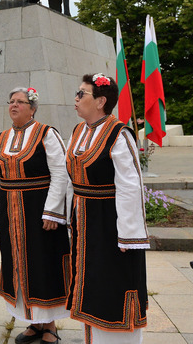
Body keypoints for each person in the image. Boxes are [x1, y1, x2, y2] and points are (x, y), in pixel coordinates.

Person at [65, 74, 149, 343]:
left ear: (101, 101)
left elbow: (130, 186)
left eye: (82, 94)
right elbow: (71, 179)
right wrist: (67, 215)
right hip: (84, 223)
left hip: (109, 225)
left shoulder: (118, 134)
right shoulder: (78, 132)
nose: (75, 99)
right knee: (89, 286)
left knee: (112, 286)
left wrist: (127, 235)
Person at [0, 87, 71, 343]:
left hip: (39, 213)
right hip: (10, 213)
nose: (14, 105)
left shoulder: (47, 134)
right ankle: (34, 323)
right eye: (11, 101)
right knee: (18, 266)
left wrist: (53, 211)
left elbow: (60, 173)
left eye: (20, 102)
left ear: (32, 108)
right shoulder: (0, 138)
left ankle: (50, 325)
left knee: (43, 264)